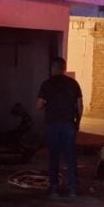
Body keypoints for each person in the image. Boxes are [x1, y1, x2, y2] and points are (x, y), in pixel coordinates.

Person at [36, 57, 83, 198]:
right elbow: (80, 106)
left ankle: (54, 188)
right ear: (64, 68)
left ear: (52, 68)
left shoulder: (47, 84)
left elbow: (38, 105)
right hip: (69, 124)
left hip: (52, 124)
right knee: (70, 157)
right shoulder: (73, 84)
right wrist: (77, 123)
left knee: (53, 156)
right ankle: (73, 188)